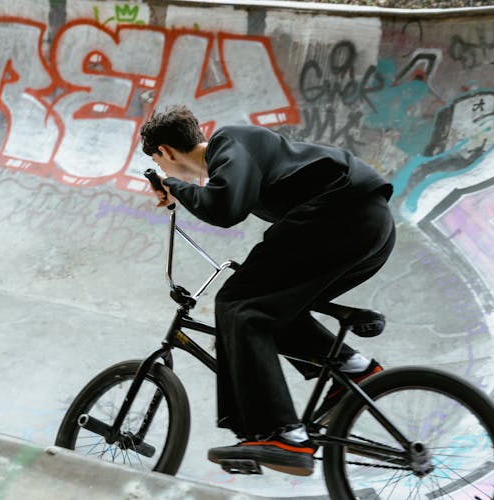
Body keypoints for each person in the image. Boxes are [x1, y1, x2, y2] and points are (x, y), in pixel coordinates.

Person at [139, 105, 395, 477]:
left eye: (162, 165)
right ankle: (354, 371)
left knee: (239, 304)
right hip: (365, 226)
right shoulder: (238, 158)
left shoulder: (231, 140)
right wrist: (178, 189)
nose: (168, 173)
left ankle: (282, 435)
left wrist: (173, 186)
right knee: (271, 308)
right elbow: (224, 199)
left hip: (340, 214)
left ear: (164, 152)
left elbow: (225, 208)